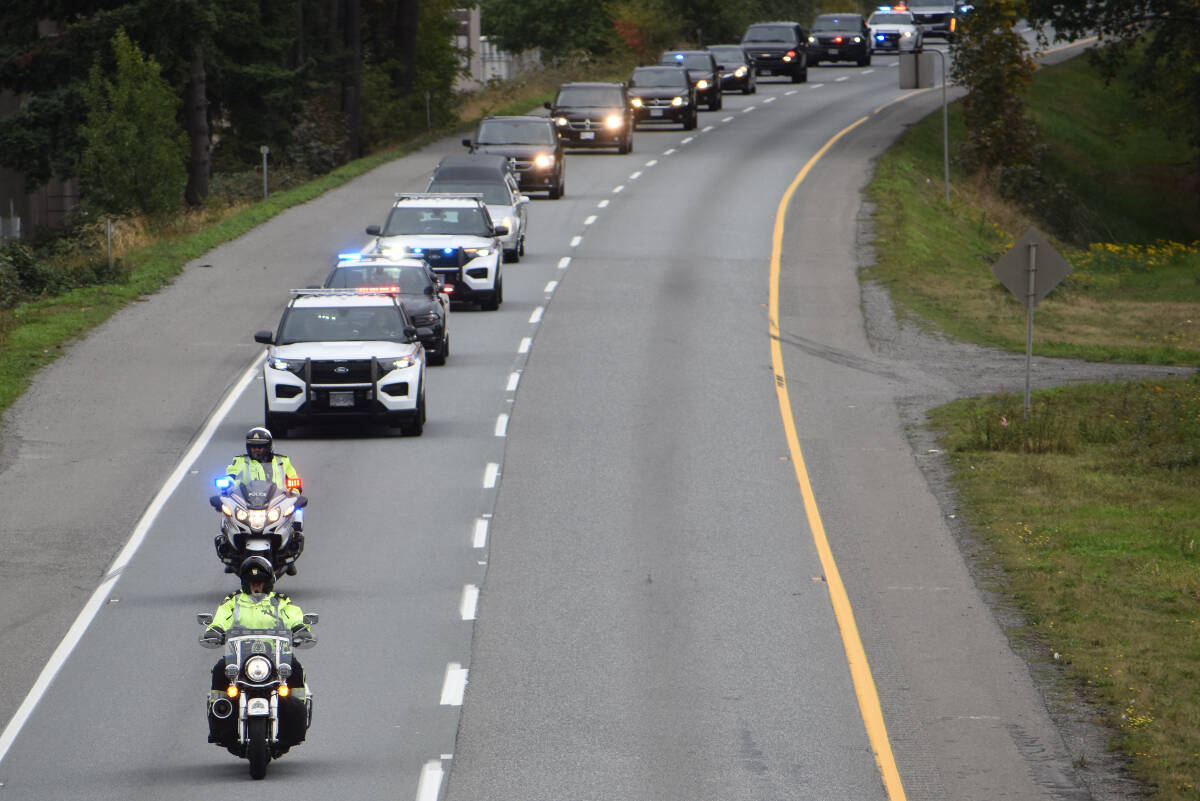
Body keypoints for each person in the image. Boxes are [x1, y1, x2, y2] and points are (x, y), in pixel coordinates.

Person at [202, 557, 314, 751]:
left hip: (275, 652)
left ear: (268, 582)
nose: (256, 585)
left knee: (295, 669)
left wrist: (300, 628)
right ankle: (219, 719)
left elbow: (293, 615)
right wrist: (215, 629)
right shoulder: (234, 601)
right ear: (245, 583)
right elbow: (221, 617)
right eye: (252, 582)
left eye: (260, 581)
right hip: (240, 653)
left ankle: (297, 718)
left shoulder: (280, 601)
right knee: (220, 670)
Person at [220, 426, 304, 574]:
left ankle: (290, 550)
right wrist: (227, 483)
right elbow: (231, 474)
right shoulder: (241, 461)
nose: (256, 450)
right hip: (248, 501)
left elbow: (294, 481)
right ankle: (230, 549)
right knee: (226, 511)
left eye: (260, 447)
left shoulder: (282, 461)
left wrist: (294, 493)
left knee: (297, 512)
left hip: (276, 500)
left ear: (268, 447)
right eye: (253, 447)